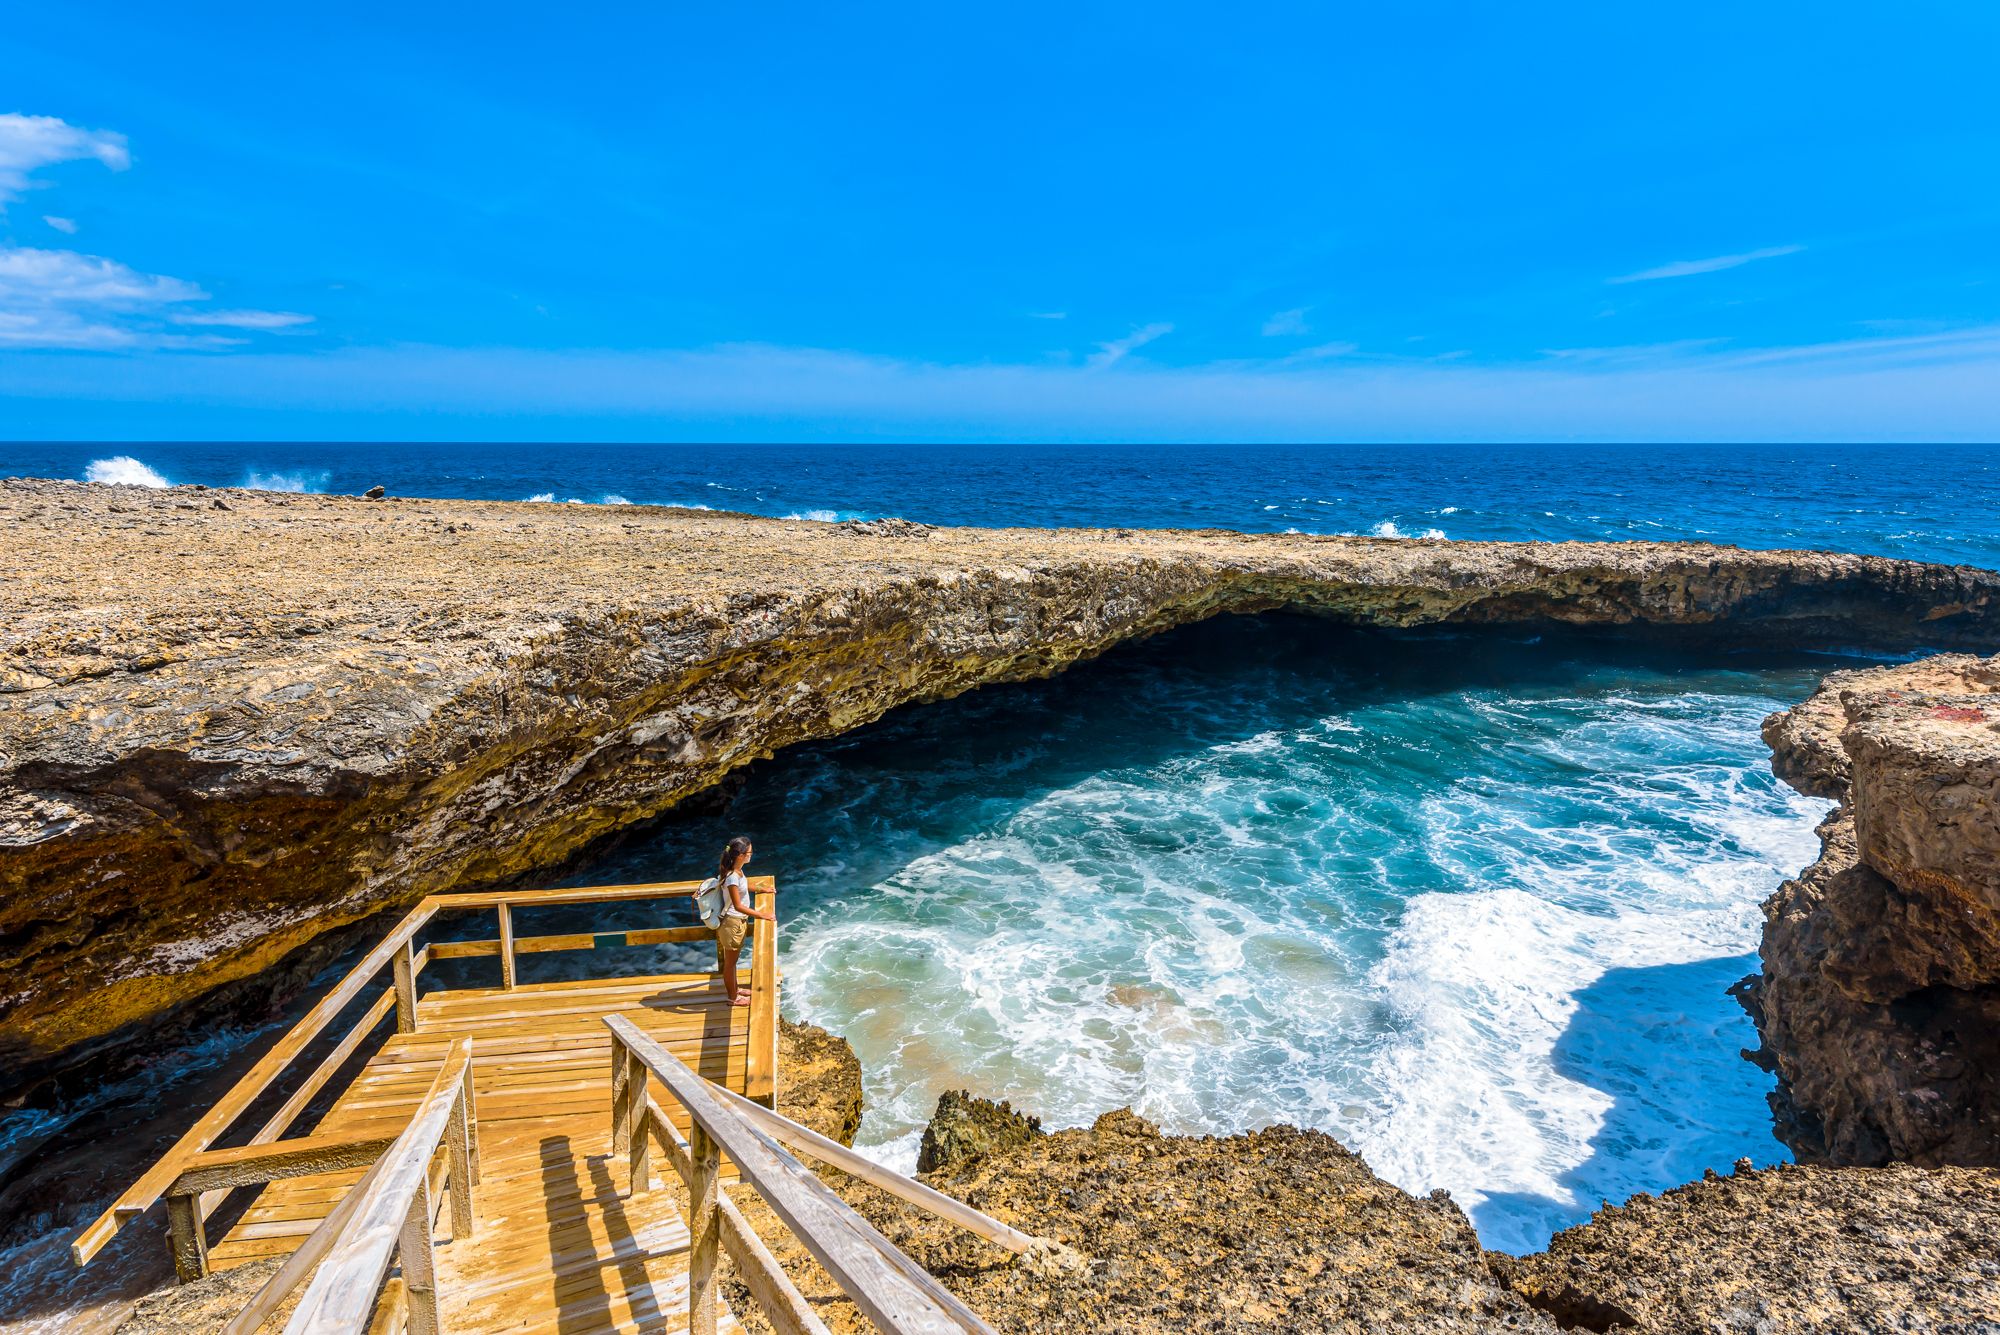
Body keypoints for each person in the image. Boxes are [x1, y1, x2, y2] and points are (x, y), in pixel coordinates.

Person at [710, 835, 773, 1007]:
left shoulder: (737, 871)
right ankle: (733, 998)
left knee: (733, 961)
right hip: (732, 923)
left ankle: (735, 990)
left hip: (736, 922)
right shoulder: (732, 876)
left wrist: (762, 888)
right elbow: (737, 905)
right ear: (741, 855)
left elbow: (743, 886)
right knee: (730, 964)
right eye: (750, 852)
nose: (752, 855)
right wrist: (761, 915)